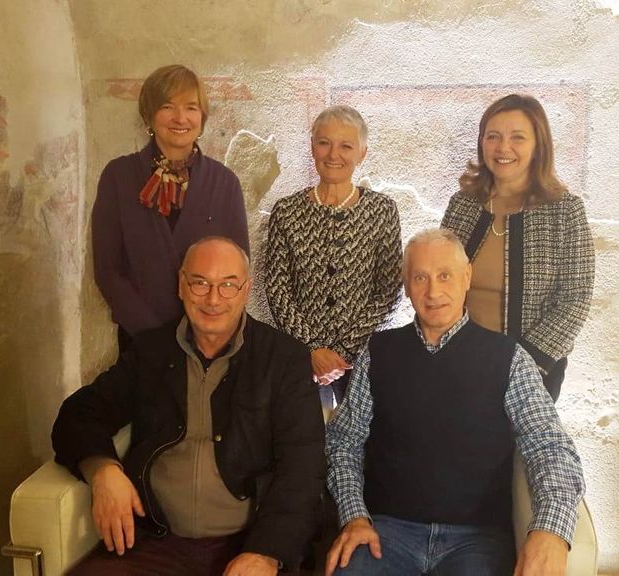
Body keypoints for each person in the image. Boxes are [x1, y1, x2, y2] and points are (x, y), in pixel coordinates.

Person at [53, 237, 325, 576]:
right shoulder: (151, 351)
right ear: (181, 285)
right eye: (200, 283)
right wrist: (102, 470)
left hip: (248, 543)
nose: (213, 299)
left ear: (246, 289)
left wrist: (266, 552)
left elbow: (303, 466)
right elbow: (78, 414)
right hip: (156, 542)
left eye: (228, 285)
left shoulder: (284, 359)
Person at [324, 229, 584, 576]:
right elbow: (343, 441)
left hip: (478, 540)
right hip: (386, 533)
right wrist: (354, 516)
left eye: (445, 275)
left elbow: (548, 445)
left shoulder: (508, 358)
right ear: (406, 284)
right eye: (420, 277)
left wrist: (551, 530)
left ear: (467, 277)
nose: (433, 292)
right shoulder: (378, 352)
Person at [440, 94, 594, 400]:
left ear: (538, 145)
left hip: (531, 370)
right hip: (458, 360)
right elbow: (439, 277)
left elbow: (575, 299)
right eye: (493, 136)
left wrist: (520, 366)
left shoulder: (565, 211)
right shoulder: (462, 204)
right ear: (482, 143)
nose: (503, 147)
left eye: (518, 138)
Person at [92, 64, 249, 354]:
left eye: (191, 107)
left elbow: (237, 271)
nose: (180, 118)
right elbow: (108, 270)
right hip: (141, 342)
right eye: (167, 106)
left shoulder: (224, 182)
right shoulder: (119, 176)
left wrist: (206, 329)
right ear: (149, 115)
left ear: (202, 117)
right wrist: (154, 338)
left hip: (209, 341)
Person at [264, 105, 402, 405]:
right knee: (303, 430)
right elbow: (277, 288)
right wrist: (312, 348)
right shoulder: (286, 212)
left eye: (346, 146)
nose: (333, 154)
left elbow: (390, 291)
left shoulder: (382, 211)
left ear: (362, 153)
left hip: (362, 359)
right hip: (300, 359)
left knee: (364, 432)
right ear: (312, 147)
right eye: (324, 143)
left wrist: (343, 351)